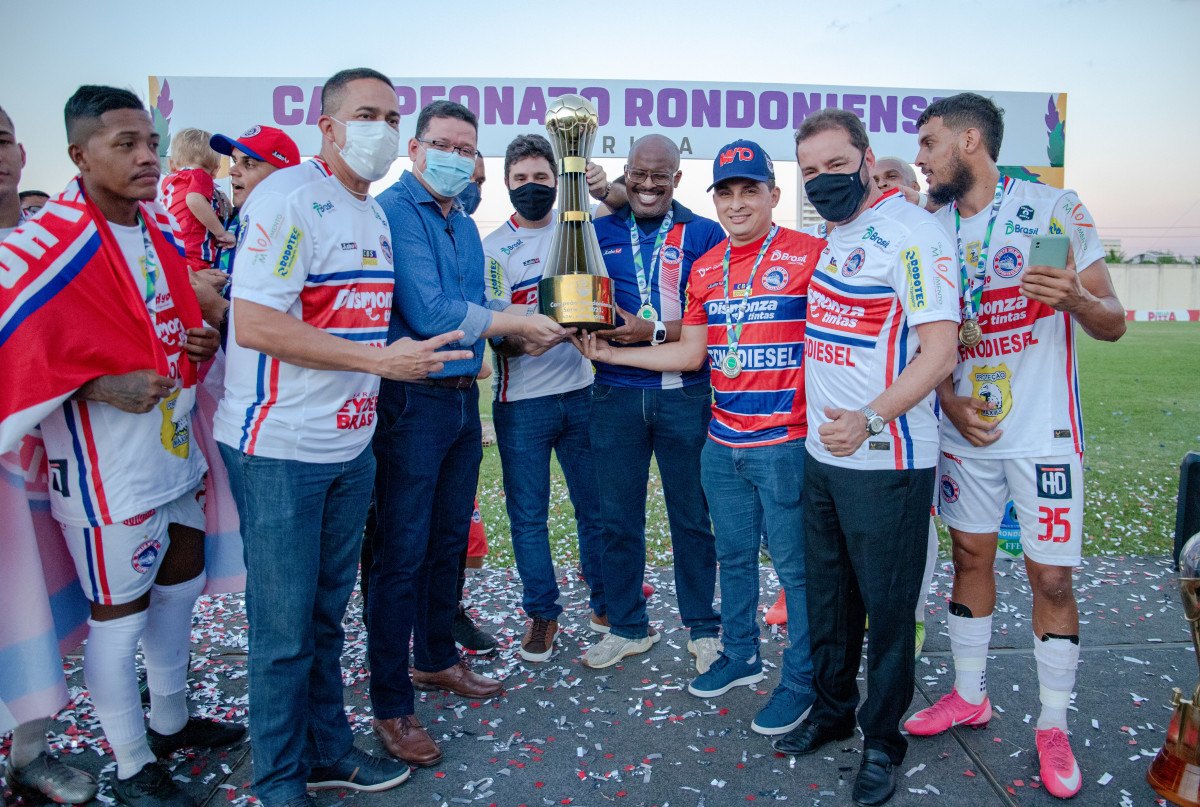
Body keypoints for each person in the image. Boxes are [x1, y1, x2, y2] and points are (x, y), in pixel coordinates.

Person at [216, 68, 468, 807]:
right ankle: (279, 778)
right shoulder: (290, 198)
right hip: (281, 451)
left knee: (324, 618)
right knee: (284, 631)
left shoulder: (374, 214)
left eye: (392, 116)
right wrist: (376, 360)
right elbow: (258, 322)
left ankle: (327, 749)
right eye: (366, 114)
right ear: (327, 126)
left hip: (348, 449)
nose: (382, 129)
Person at [0, 86, 244, 807]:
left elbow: (166, 332)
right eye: (124, 144)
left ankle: (169, 721)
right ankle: (134, 765)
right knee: (119, 614)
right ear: (78, 156)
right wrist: (96, 387)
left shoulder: (155, 231)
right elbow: (25, 364)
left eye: (150, 141)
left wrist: (195, 345)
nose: (146, 157)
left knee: (180, 588)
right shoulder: (40, 250)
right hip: (101, 472)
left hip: (172, 452)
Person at [905, 92, 1126, 800]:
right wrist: (945, 400)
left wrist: (1078, 302)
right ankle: (970, 693)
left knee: (1050, 577)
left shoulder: (1054, 209)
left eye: (930, 143)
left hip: (1044, 434)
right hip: (964, 430)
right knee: (970, 556)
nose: (920, 158)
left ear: (971, 140)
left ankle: (1053, 721)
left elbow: (1114, 321)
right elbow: (922, 338)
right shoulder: (926, 225)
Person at [576, 139, 824, 737]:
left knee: (794, 568)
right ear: (714, 196)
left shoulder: (812, 252)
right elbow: (692, 349)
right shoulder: (710, 267)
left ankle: (803, 679)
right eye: (728, 193)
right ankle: (740, 656)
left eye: (750, 191)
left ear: (773, 194)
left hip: (785, 440)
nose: (738, 203)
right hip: (722, 436)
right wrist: (610, 349)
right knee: (734, 557)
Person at [368, 100, 567, 769]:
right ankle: (392, 703)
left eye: (467, 146)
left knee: (448, 541)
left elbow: (478, 301)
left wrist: (524, 316)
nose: (457, 156)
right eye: (443, 143)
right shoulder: (398, 210)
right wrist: (516, 323)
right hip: (412, 400)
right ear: (417, 149)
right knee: (401, 552)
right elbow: (428, 310)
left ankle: (433, 659)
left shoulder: (459, 221)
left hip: (458, 400)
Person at [772, 109, 959, 807]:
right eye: (810, 171)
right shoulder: (832, 234)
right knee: (828, 602)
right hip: (824, 456)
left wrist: (872, 416)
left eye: (835, 166)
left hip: (887, 459)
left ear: (866, 157)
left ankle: (883, 743)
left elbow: (941, 350)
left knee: (886, 611)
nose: (823, 181)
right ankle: (831, 711)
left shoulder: (913, 234)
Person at [581, 134, 724, 673]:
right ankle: (627, 626)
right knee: (617, 518)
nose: (646, 185)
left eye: (658, 177)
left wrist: (651, 330)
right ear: (625, 173)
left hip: (686, 396)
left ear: (676, 180)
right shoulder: (597, 232)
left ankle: (703, 627)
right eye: (637, 174)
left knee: (693, 517)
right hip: (615, 394)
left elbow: (712, 320)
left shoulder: (704, 233)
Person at [0, 104, 99, 806]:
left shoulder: (52, 248)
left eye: (1, 138)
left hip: (36, 467)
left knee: (36, 614)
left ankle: (28, 754)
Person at [481, 133, 608, 662]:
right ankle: (543, 613)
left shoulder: (581, 229)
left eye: (542, 178)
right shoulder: (493, 250)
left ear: (559, 181)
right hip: (522, 404)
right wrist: (524, 337)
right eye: (521, 180)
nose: (532, 188)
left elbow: (631, 202)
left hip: (581, 395)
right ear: (508, 184)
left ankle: (606, 599)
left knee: (593, 508)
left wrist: (605, 184)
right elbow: (494, 331)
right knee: (528, 517)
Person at [160, 128, 236, 270]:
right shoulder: (200, 176)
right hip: (193, 253)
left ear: (171, 165)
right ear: (215, 171)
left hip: (170, 250)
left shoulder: (170, 181)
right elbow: (194, 200)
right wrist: (221, 233)